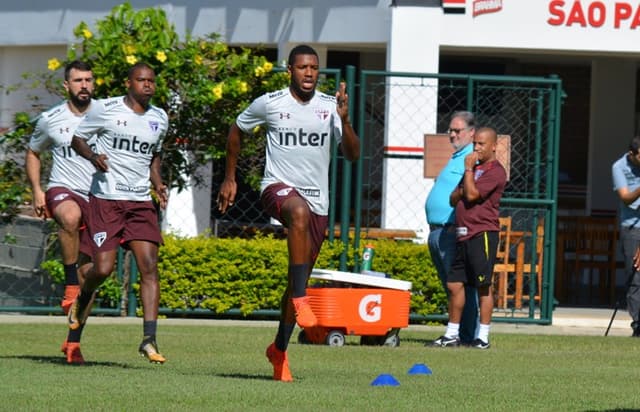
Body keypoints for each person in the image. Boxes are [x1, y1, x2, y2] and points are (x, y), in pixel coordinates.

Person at [217, 44, 360, 381]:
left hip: (318, 203)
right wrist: (229, 176)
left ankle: (279, 349)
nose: (308, 73)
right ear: (290, 71)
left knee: (299, 270)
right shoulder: (270, 103)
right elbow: (236, 130)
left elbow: (353, 154)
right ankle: (300, 296)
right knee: (297, 215)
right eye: (302, 67)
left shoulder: (330, 107)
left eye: (314, 68)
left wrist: (346, 120)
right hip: (277, 188)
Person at [69, 62, 169, 363]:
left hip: (139, 202)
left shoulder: (160, 118)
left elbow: (154, 156)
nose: (147, 85)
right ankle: (82, 299)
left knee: (149, 266)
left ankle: (149, 340)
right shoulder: (106, 109)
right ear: (129, 83)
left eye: (151, 81)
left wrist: (158, 182)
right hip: (106, 199)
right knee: (102, 269)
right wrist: (93, 156)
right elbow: (78, 139)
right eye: (141, 80)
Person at [25, 60, 96, 364]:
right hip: (62, 188)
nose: (84, 85)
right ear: (66, 85)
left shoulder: (107, 114)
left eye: (89, 80)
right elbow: (33, 152)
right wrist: (38, 191)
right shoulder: (50, 119)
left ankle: (73, 342)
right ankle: (68, 283)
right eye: (78, 80)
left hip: (98, 198)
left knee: (92, 276)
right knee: (68, 216)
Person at [431, 126, 506, 349]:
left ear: (493, 146)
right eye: (475, 144)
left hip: (481, 234)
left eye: (482, 144)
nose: (477, 148)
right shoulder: (473, 170)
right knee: (454, 284)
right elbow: (454, 198)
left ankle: (482, 337)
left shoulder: (495, 171)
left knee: (483, 286)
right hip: (462, 235)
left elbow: (471, 195)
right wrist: (467, 179)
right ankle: (451, 334)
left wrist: (468, 174)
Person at [425, 111, 479, 345]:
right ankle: (456, 331)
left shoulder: (471, 158)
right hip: (437, 230)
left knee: (458, 285)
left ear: (471, 132)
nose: (453, 135)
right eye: (451, 130)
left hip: (450, 230)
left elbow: (471, 193)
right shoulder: (457, 156)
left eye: (458, 131)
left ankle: (467, 335)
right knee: (450, 286)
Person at [612, 136, 640, 337]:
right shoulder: (619, 167)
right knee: (636, 275)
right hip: (632, 227)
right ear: (632, 154)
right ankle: (638, 324)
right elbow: (625, 197)